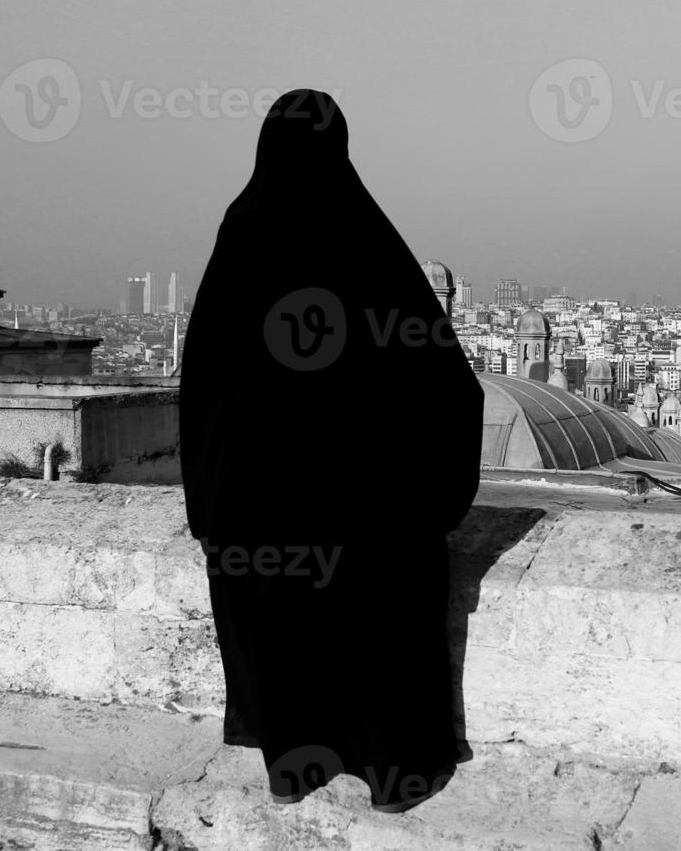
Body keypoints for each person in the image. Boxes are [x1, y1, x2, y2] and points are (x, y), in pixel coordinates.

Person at [178, 89, 483, 812]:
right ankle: (389, 774)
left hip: (265, 511)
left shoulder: (243, 231)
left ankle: (295, 767)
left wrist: (211, 508)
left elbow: (208, 384)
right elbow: (444, 383)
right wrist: (436, 499)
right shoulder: (365, 237)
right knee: (378, 621)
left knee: (284, 629)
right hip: (365, 505)